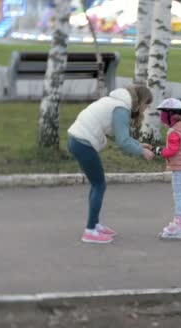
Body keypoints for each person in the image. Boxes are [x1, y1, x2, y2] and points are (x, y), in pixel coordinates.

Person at [67, 85, 155, 244]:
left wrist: (139, 145)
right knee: (99, 185)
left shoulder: (116, 102)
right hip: (83, 143)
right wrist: (142, 152)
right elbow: (123, 142)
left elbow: (120, 136)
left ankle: (94, 224)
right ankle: (90, 231)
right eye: (147, 104)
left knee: (96, 184)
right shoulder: (121, 109)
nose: (147, 108)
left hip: (77, 140)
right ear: (140, 101)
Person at [153, 98, 181, 241]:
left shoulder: (174, 132)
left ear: (170, 114)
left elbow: (171, 151)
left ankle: (180, 226)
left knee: (179, 196)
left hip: (180, 167)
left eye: (162, 114)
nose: (161, 117)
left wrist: (158, 151)